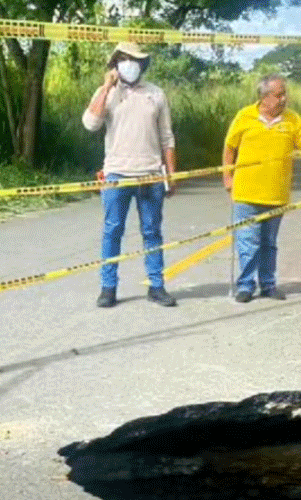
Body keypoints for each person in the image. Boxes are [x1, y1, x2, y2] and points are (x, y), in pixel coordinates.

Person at [82, 42, 178, 309]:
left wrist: (172, 175)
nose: (129, 64)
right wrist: (107, 87)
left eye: (134, 59)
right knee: (112, 231)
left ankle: (156, 286)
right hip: (116, 175)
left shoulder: (156, 94)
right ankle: (108, 288)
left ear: (143, 64)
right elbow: (91, 124)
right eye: (123, 59)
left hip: (150, 175)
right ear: (115, 64)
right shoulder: (106, 93)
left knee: (152, 232)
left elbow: (167, 137)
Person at [223, 74, 301, 303]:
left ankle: (268, 284)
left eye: (284, 93)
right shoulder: (244, 116)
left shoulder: (292, 119)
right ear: (264, 97)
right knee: (248, 242)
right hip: (246, 193)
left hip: (276, 194)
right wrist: (227, 176)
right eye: (278, 95)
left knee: (269, 243)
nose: (284, 98)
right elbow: (229, 148)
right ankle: (246, 286)